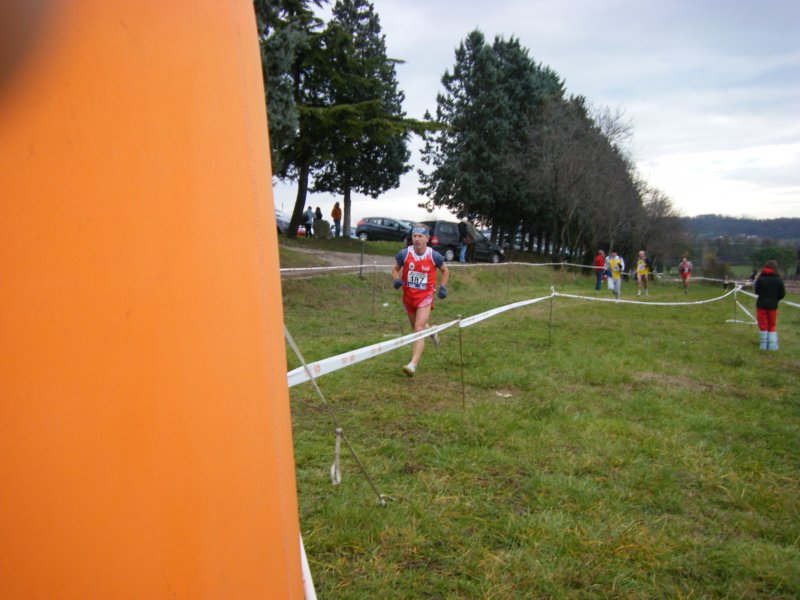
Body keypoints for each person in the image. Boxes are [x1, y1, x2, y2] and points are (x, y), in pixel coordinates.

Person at [391, 223, 449, 377]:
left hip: (425, 297)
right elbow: (395, 269)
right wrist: (396, 279)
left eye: (420, 236)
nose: (416, 239)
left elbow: (445, 271)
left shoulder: (434, 256)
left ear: (427, 239)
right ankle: (432, 331)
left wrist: (442, 287)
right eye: (414, 236)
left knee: (418, 329)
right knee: (418, 329)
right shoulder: (404, 254)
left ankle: (413, 364)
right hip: (409, 297)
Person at [754, 259, 785, 351]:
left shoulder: (760, 279)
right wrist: (775, 299)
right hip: (773, 306)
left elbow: (757, 291)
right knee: (772, 324)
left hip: (761, 305)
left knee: (763, 324)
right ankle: (772, 345)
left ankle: (763, 345)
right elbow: (782, 294)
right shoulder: (779, 280)